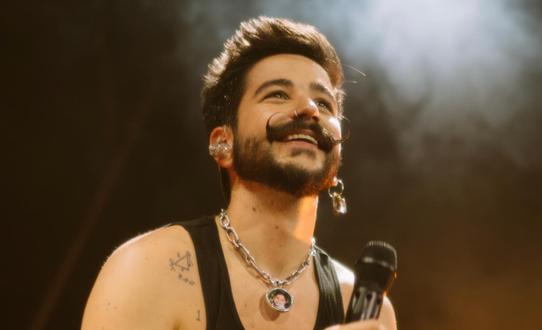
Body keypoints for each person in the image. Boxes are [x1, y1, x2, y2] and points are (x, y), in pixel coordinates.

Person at [82, 16, 397, 330]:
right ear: (223, 143)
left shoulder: (368, 309)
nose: (310, 109)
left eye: (325, 103)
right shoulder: (153, 269)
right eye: (278, 94)